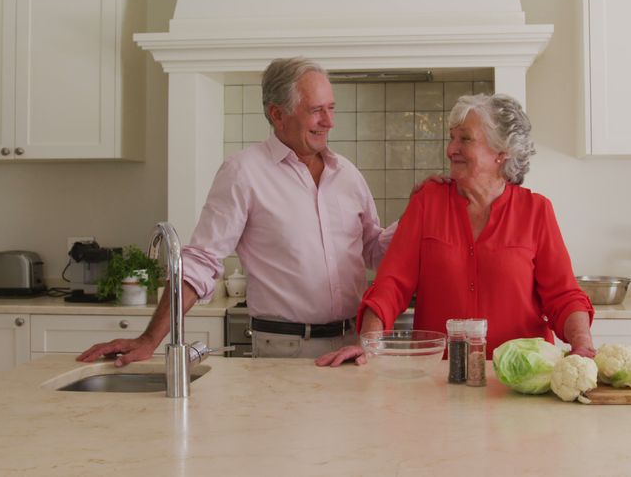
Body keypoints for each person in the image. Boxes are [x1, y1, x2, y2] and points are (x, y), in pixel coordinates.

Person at [78, 57, 396, 363]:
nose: (329, 121)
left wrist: (419, 214)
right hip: (284, 350)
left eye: (330, 108)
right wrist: (150, 339)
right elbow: (199, 263)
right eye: (316, 111)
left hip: (352, 347)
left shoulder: (347, 174)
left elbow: (373, 252)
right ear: (277, 114)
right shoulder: (243, 172)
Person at [316, 93, 595, 367]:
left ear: (501, 152)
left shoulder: (536, 211)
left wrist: (582, 344)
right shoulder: (428, 201)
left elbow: (563, 295)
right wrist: (369, 344)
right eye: (451, 138)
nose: (451, 149)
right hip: (442, 378)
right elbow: (391, 284)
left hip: (520, 378)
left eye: (465, 139)